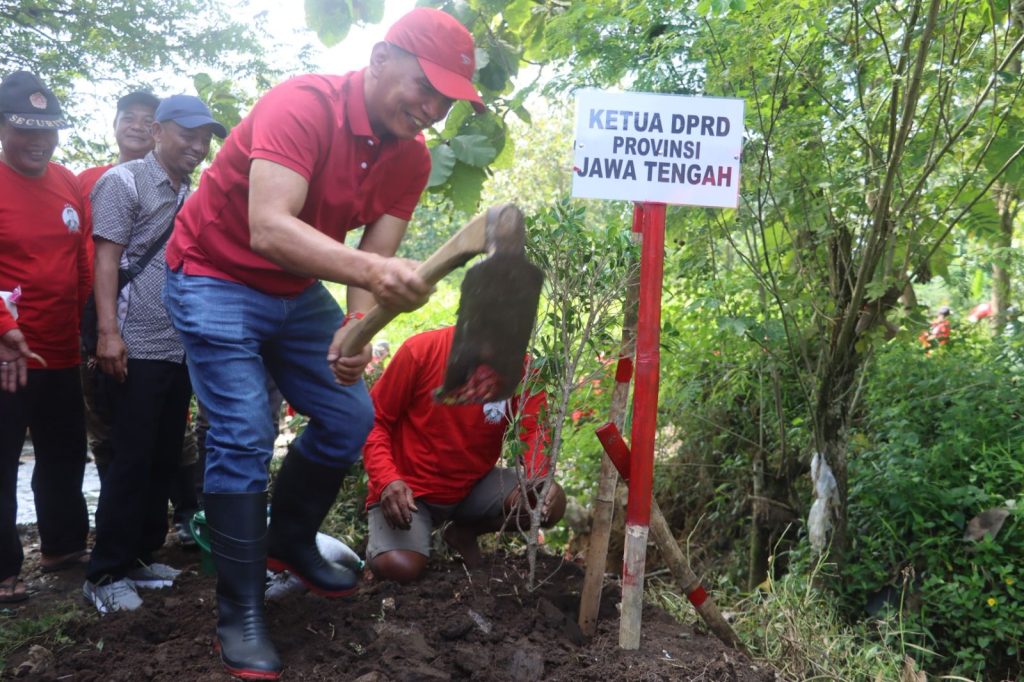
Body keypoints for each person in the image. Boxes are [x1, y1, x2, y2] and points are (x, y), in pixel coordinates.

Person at [161, 8, 485, 679]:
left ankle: (290, 539)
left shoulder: (411, 158)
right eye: (424, 87)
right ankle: (241, 607)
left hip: (291, 290)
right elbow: (269, 229)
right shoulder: (303, 106)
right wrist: (370, 277)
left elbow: (378, 254)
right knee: (245, 430)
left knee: (349, 415)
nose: (430, 109)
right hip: (214, 273)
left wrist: (353, 328)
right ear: (381, 57)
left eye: (445, 101)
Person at [82, 95, 226, 614]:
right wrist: (107, 334)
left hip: (178, 346)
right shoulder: (122, 182)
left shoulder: (193, 190)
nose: (197, 145)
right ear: (159, 131)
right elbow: (107, 261)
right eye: (187, 134)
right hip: (132, 342)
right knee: (131, 456)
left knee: (164, 457)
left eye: (204, 137)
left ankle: (139, 557)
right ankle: (104, 572)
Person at [364, 326, 566, 584]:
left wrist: (539, 478)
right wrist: (386, 480)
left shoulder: (522, 367)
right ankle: (377, 553)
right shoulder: (422, 351)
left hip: (472, 485)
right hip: (408, 490)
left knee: (547, 501)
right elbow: (373, 420)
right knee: (400, 567)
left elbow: (535, 431)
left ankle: (463, 532)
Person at [0, 71, 91, 603]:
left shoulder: (66, 180)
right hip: (6, 353)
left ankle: (62, 546)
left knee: (63, 452)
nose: (38, 141)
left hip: (59, 348)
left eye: (47, 129)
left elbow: (78, 258)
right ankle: (3, 569)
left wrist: (84, 327)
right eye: (24, 128)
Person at [77, 90, 160, 481]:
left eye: (148, 120)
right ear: (114, 126)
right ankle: (114, 505)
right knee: (102, 414)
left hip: (154, 322)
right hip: (94, 315)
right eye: (129, 117)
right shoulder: (86, 181)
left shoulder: (177, 188)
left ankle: (182, 512)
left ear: (160, 132)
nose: (138, 127)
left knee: (163, 418)